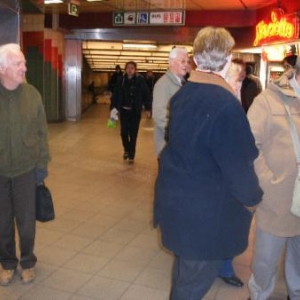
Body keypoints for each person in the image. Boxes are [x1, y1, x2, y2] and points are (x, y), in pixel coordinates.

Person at [153, 26, 263, 300]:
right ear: (227, 61)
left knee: (185, 276)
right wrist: (254, 200)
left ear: (196, 60)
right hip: (205, 217)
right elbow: (239, 167)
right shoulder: (225, 105)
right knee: (191, 287)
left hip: (179, 205)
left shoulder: (183, 96)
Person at [247, 57, 300, 300]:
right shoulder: (267, 100)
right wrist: (268, 182)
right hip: (278, 198)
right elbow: (249, 146)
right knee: (266, 262)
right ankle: (258, 295)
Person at [0, 43, 50, 286]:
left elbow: (42, 132)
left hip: (25, 170)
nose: (24, 67)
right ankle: (7, 262)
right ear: (2, 68)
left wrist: (42, 164)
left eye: (24, 63)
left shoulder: (32, 95)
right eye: (18, 64)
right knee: (2, 222)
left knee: (27, 221)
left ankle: (28, 261)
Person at [111, 61, 151, 163]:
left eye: (132, 68)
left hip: (135, 112)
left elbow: (146, 95)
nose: (130, 69)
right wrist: (113, 109)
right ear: (125, 69)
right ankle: (127, 149)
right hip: (124, 111)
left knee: (133, 134)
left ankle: (131, 155)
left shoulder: (140, 81)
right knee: (124, 133)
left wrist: (148, 108)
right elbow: (115, 95)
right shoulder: (121, 80)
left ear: (135, 70)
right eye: (128, 67)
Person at [152, 47, 189, 157]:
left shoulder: (183, 83)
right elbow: (159, 116)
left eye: (187, 61)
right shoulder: (163, 84)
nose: (186, 64)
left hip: (180, 146)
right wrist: (179, 133)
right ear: (172, 63)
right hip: (167, 147)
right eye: (182, 61)